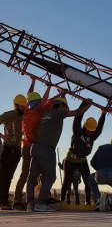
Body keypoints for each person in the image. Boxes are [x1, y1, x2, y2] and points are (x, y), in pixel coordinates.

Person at [26, 97, 92, 212]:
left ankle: (30, 204)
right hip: (46, 148)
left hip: (35, 147)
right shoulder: (59, 112)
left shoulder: (46, 114)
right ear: (61, 106)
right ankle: (40, 203)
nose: (66, 109)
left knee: (32, 177)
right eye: (65, 107)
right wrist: (88, 105)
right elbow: (78, 112)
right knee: (50, 176)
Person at [13, 77, 63, 210]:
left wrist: (58, 94)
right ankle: (17, 200)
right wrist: (39, 142)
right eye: (40, 102)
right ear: (35, 103)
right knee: (27, 174)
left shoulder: (40, 110)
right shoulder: (29, 116)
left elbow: (48, 101)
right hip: (29, 146)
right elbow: (28, 134)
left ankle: (39, 199)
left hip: (37, 147)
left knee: (40, 175)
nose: (43, 103)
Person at [60, 106, 106, 205]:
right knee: (66, 180)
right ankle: (62, 201)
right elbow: (77, 119)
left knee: (88, 180)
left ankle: (87, 201)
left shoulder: (93, 136)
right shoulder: (77, 131)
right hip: (71, 159)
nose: (90, 131)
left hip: (82, 161)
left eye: (91, 130)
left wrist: (103, 114)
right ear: (85, 126)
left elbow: (100, 128)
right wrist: (84, 105)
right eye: (88, 129)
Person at [0, 94, 27, 210]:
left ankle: (4, 201)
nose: (24, 108)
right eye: (22, 106)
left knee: (10, 176)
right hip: (7, 148)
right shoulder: (7, 115)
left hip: (17, 150)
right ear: (16, 105)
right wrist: (2, 136)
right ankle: (2, 201)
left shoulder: (24, 115)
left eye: (25, 106)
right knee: (3, 175)